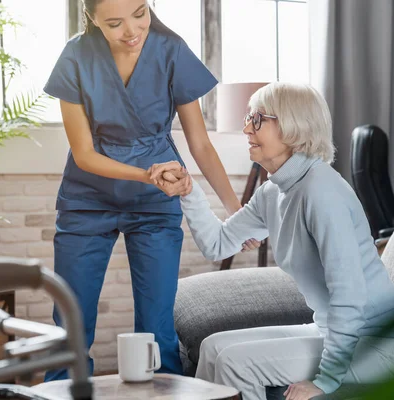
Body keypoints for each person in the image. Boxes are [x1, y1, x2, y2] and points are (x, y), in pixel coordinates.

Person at [150, 82, 394, 400]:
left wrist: (327, 380)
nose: (246, 127)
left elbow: (349, 294)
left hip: (379, 343)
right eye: (249, 117)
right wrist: (189, 192)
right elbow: (217, 244)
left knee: (237, 363)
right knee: (212, 347)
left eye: (258, 119)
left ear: (293, 126)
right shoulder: (274, 192)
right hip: (330, 329)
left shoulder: (321, 191)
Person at [43, 0, 258, 381]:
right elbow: (84, 153)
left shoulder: (170, 49)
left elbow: (201, 145)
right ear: (91, 17)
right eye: (114, 22)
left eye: (140, 13)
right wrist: (147, 175)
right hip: (88, 199)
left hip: (156, 203)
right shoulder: (75, 56)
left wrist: (236, 214)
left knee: (158, 329)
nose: (132, 30)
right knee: (70, 326)